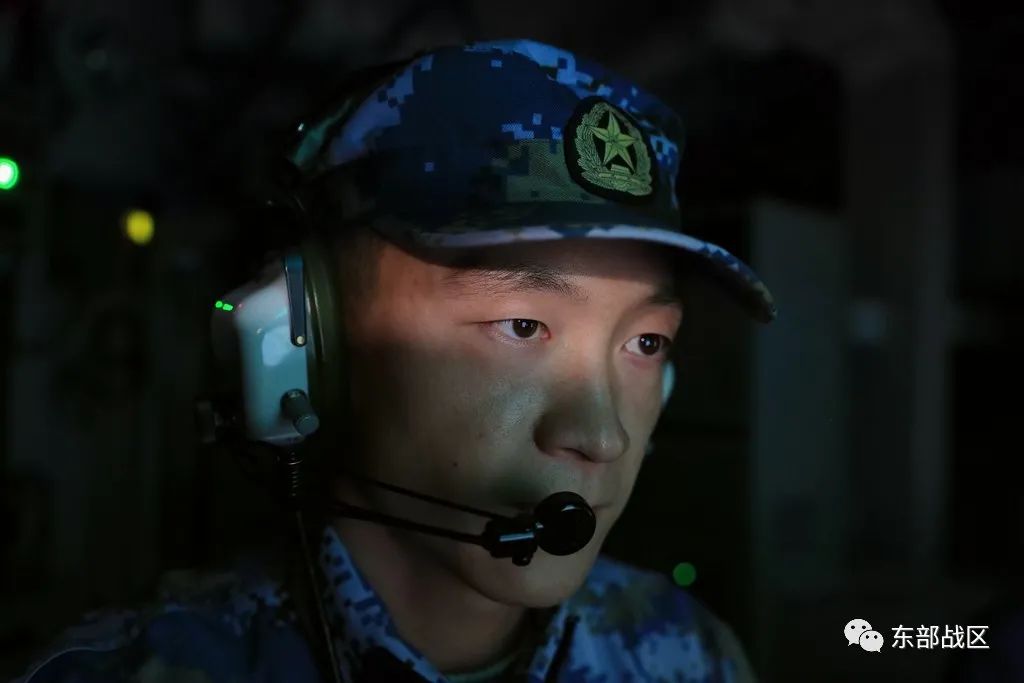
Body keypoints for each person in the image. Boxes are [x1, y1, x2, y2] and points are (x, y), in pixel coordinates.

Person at [15, 38, 776, 683]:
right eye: (520, 325)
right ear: (304, 344)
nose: (602, 435)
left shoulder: (690, 655)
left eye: (645, 344)